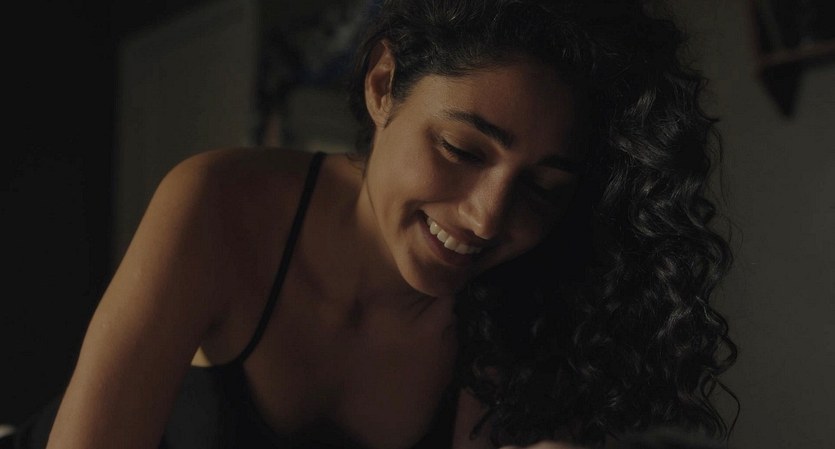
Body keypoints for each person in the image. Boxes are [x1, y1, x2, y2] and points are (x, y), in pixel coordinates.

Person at [5, 0, 736, 448]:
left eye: (542, 190)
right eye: (461, 150)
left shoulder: (526, 310)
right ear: (383, 85)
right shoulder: (222, 202)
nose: (486, 217)